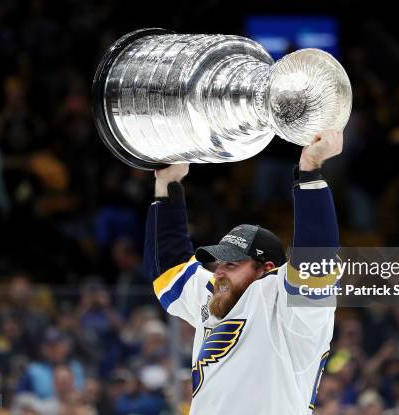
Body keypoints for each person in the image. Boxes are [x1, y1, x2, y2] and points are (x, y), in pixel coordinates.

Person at [144, 130, 343, 414]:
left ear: (267, 270)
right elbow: (169, 269)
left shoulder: (289, 312)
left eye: (233, 263)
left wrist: (310, 171)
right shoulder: (215, 296)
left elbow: (315, 260)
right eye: (219, 262)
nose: (219, 271)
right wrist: (168, 182)